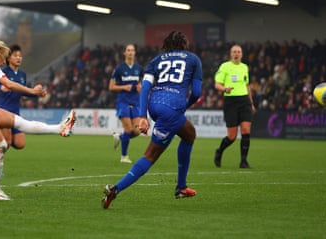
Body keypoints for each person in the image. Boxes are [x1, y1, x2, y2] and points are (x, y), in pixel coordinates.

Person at [0, 39, 76, 201]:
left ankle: (59, 128)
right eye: (3, 58)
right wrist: (32, 91)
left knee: (18, 122)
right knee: (0, 145)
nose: (3, 62)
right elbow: (8, 84)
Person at [102, 30, 203, 209]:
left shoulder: (156, 60)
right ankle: (115, 189)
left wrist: (143, 116)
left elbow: (145, 87)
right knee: (150, 155)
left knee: (189, 134)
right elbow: (196, 93)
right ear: (184, 44)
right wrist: (185, 105)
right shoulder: (193, 59)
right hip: (172, 108)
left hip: (154, 104)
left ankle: (181, 186)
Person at [213, 44, 256, 169]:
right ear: (230, 54)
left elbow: (247, 86)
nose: (236, 54)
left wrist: (251, 103)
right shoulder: (224, 66)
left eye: (239, 52)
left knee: (246, 131)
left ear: (241, 54)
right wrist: (225, 88)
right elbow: (217, 84)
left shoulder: (244, 67)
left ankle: (243, 161)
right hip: (231, 102)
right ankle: (219, 151)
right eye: (234, 52)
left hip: (244, 101)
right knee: (232, 136)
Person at [0, 44, 35, 149]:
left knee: (21, 144)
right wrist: (0, 86)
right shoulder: (3, 72)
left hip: (16, 112)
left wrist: (36, 93)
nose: (18, 58)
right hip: (4, 110)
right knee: (6, 142)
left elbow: (23, 90)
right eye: (15, 55)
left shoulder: (22, 75)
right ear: (8, 58)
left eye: (20, 56)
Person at [109, 44, 144, 163]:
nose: (130, 52)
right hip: (123, 101)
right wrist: (124, 87)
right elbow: (111, 87)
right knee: (128, 129)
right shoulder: (119, 69)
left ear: (135, 53)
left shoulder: (139, 68)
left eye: (132, 50)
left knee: (138, 131)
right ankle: (124, 156)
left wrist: (140, 87)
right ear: (124, 53)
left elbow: (141, 84)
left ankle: (120, 137)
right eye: (128, 50)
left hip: (135, 101)